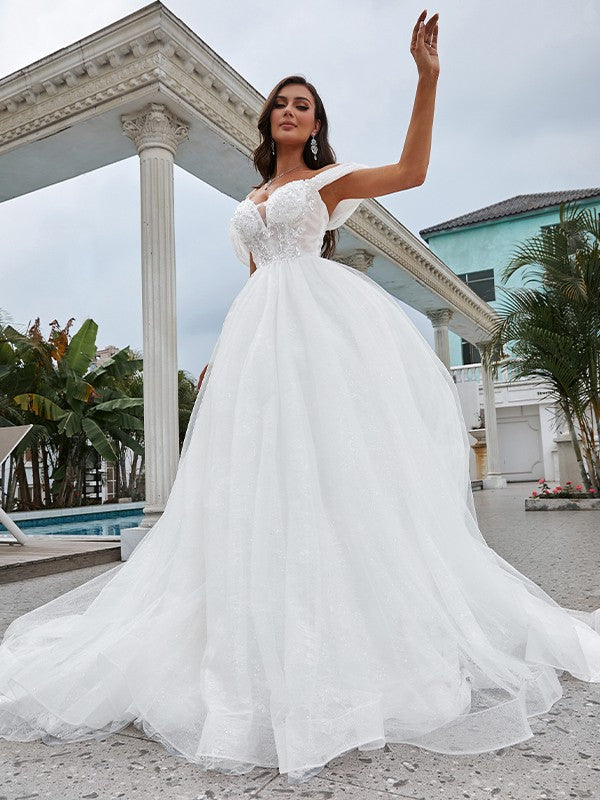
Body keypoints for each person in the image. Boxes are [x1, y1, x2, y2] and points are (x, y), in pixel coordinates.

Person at [1, 9, 599, 787]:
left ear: (316, 126)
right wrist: (224, 358)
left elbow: (413, 171)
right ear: (268, 121)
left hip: (318, 332)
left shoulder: (326, 184)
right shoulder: (253, 197)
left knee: (329, 472)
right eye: (281, 103)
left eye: (303, 105)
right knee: (252, 482)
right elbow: (256, 281)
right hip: (261, 341)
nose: (290, 111)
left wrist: (427, 78)